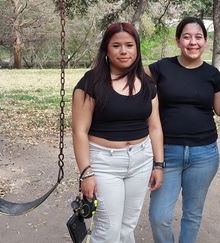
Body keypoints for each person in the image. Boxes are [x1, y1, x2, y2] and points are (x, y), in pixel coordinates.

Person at [146, 17, 220, 243]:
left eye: (198, 37)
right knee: (159, 216)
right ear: (178, 41)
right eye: (187, 37)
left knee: (192, 214)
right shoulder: (161, 68)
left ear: (205, 42)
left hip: (203, 154)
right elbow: (133, 81)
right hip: (166, 152)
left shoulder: (212, 75)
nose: (193, 42)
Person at [71, 22, 164, 243]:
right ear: (106, 49)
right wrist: (86, 172)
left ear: (137, 49)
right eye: (116, 45)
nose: (124, 51)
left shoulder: (147, 83)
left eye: (129, 45)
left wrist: (158, 165)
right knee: (108, 230)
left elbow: (155, 126)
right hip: (104, 162)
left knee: (127, 227)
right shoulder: (91, 83)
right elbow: (79, 131)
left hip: (141, 159)